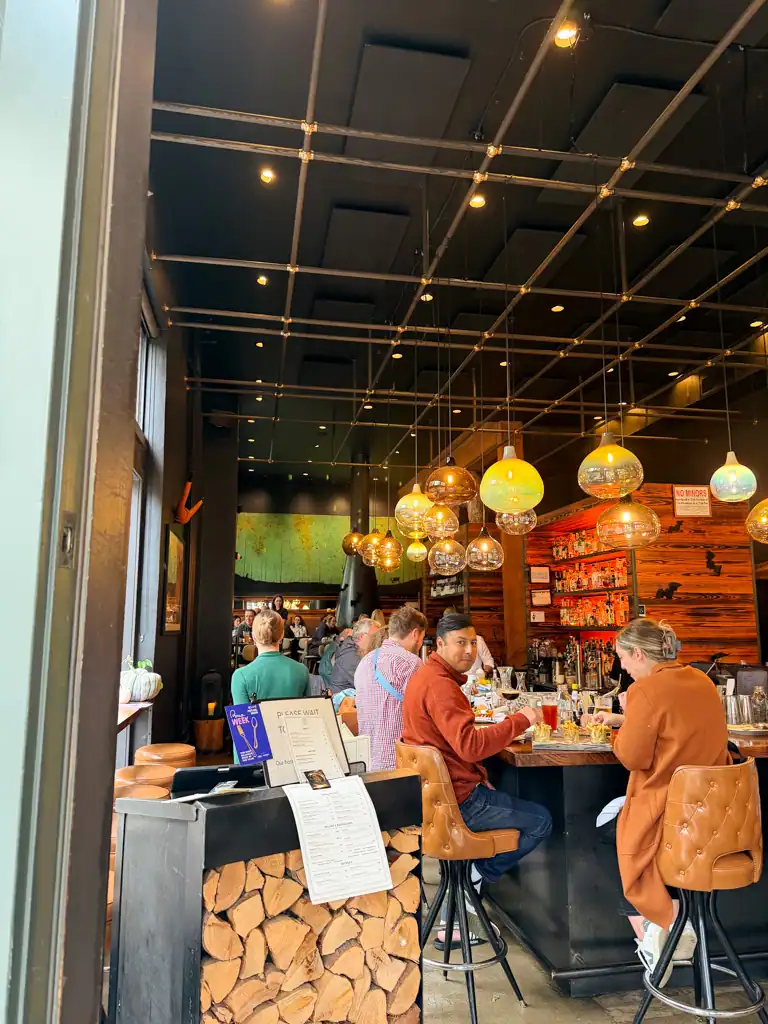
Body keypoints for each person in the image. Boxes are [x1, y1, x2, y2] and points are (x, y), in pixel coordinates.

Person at [586, 618, 729, 982]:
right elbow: (676, 724)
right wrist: (626, 717)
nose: (625, 669)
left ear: (638, 653)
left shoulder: (644, 691)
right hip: (717, 816)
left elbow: (633, 758)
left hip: (671, 814)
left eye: (624, 660)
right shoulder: (702, 680)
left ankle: (664, 924)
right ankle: (669, 924)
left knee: (607, 830)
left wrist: (618, 725)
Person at [402, 612, 551, 887]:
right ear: (440, 646)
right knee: (541, 820)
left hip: (437, 798)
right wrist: (521, 720)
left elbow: (456, 747)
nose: (469, 651)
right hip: (460, 802)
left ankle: (471, 880)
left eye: (473, 643)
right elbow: (470, 747)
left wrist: (480, 777)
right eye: (460, 643)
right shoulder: (441, 686)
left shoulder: (426, 676)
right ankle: (477, 876)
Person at [355, 606, 428, 771]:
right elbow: (424, 715)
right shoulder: (412, 663)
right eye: (422, 637)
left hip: (366, 762)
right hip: (399, 763)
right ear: (415, 634)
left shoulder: (365, 662)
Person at [231, 609, 311, 705]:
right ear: (282, 635)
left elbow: (243, 717)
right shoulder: (302, 670)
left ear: (253, 636)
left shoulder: (240, 676)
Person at [329, 617, 381, 695]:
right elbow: (371, 686)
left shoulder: (356, 650)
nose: (379, 640)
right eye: (374, 637)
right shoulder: (350, 655)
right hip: (344, 704)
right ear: (361, 637)